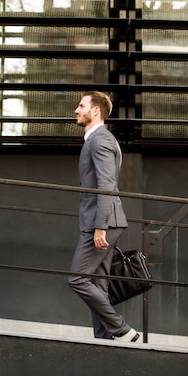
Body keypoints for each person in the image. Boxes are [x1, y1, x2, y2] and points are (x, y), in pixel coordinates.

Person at [68, 91, 139, 342]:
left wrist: (100, 227)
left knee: (77, 278)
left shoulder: (100, 140)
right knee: (97, 284)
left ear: (95, 111)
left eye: (81, 105)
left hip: (102, 223)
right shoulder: (96, 139)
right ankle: (104, 339)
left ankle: (121, 329)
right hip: (102, 221)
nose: (76, 110)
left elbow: (106, 185)